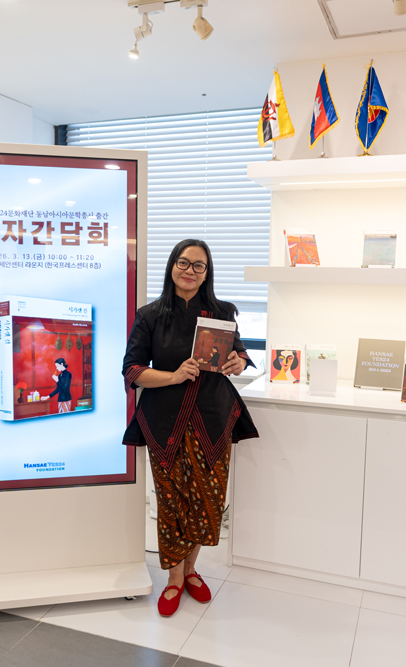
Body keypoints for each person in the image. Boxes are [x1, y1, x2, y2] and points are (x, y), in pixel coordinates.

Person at [122, 238, 259, 618]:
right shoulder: (149, 315)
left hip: (212, 420)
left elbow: (242, 353)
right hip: (164, 422)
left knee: (206, 501)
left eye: (198, 266)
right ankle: (174, 578)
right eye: (184, 263)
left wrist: (237, 361)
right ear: (172, 266)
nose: (190, 271)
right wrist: (173, 375)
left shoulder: (221, 311)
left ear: (206, 272)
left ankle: (192, 569)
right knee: (170, 502)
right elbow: (132, 371)